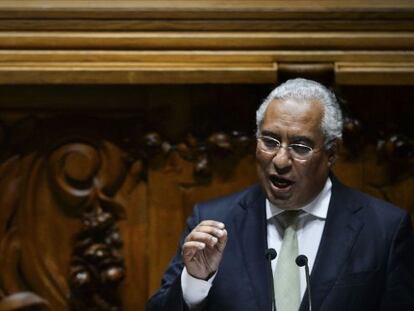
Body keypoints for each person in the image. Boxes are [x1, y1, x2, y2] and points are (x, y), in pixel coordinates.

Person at [146, 78, 414, 311]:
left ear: (332, 152)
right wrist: (195, 282)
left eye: (300, 146)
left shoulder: (385, 229)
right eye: (270, 141)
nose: (281, 160)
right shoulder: (213, 221)